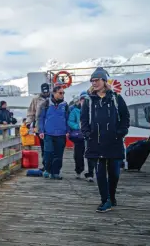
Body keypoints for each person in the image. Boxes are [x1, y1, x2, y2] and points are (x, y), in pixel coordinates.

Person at [81, 67, 130, 213]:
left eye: (97, 80)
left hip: (114, 141)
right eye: (92, 80)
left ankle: (111, 196)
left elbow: (125, 116)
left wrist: (121, 132)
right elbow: (83, 120)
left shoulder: (115, 98)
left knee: (114, 172)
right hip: (96, 141)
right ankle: (105, 200)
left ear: (104, 81)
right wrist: (87, 133)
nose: (94, 83)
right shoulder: (89, 101)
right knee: (100, 172)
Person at [38, 85, 70, 180]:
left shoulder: (65, 105)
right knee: (48, 153)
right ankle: (47, 170)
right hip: (48, 134)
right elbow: (41, 118)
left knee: (59, 155)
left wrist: (68, 131)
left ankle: (55, 173)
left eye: (63, 93)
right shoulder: (46, 104)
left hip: (61, 134)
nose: (62, 94)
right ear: (54, 93)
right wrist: (41, 131)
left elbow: (67, 119)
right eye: (60, 93)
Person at [68, 91, 95, 180]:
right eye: (82, 99)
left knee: (90, 155)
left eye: (86, 99)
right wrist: (77, 126)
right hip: (79, 136)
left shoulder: (92, 110)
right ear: (79, 100)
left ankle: (90, 174)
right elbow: (70, 121)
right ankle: (78, 171)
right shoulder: (75, 110)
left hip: (89, 136)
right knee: (78, 155)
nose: (83, 101)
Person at [27, 83, 51, 171]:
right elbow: (31, 112)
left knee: (51, 147)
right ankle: (45, 165)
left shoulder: (53, 97)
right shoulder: (35, 99)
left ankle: (51, 165)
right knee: (44, 146)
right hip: (39, 127)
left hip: (51, 126)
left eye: (47, 90)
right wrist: (28, 122)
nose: (45, 92)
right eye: (44, 91)